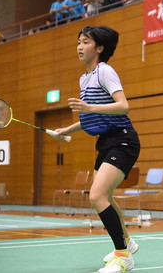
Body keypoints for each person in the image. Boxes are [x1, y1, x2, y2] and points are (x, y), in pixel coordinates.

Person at [53, 26, 140, 273]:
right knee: (106, 196)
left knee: (96, 196)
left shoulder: (105, 71)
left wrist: (89, 108)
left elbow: (123, 106)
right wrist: (67, 130)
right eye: (78, 42)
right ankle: (128, 243)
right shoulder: (84, 78)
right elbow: (93, 116)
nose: (80, 46)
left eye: (86, 42)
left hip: (123, 140)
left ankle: (123, 257)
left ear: (99, 48)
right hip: (105, 141)